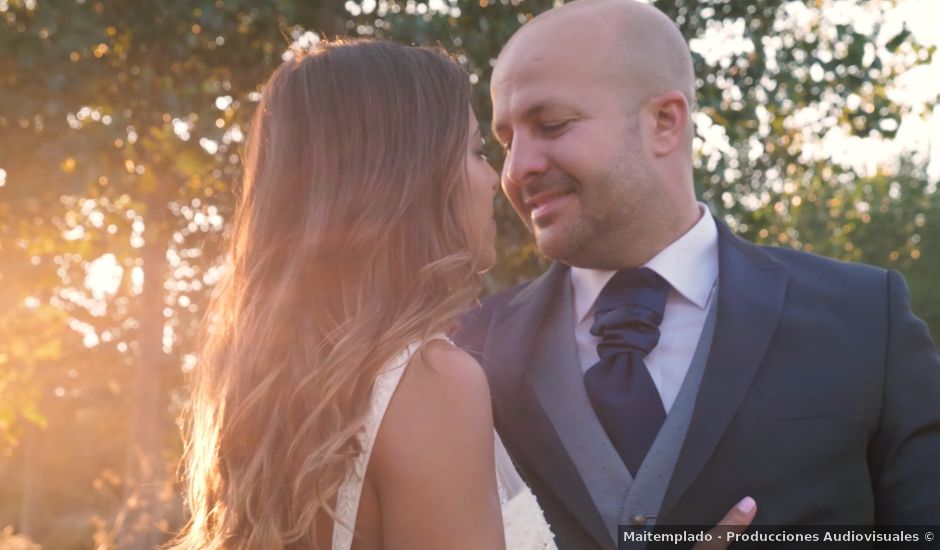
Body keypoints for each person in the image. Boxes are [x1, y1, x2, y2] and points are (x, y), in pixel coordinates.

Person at [455, 0, 940, 549]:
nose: (517, 170)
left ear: (665, 122)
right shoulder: (466, 349)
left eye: (551, 125)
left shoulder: (865, 318)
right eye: (505, 142)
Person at [167, 39, 558, 549]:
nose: (494, 179)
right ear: (406, 178)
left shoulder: (277, 386)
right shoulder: (430, 382)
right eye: (478, 151)